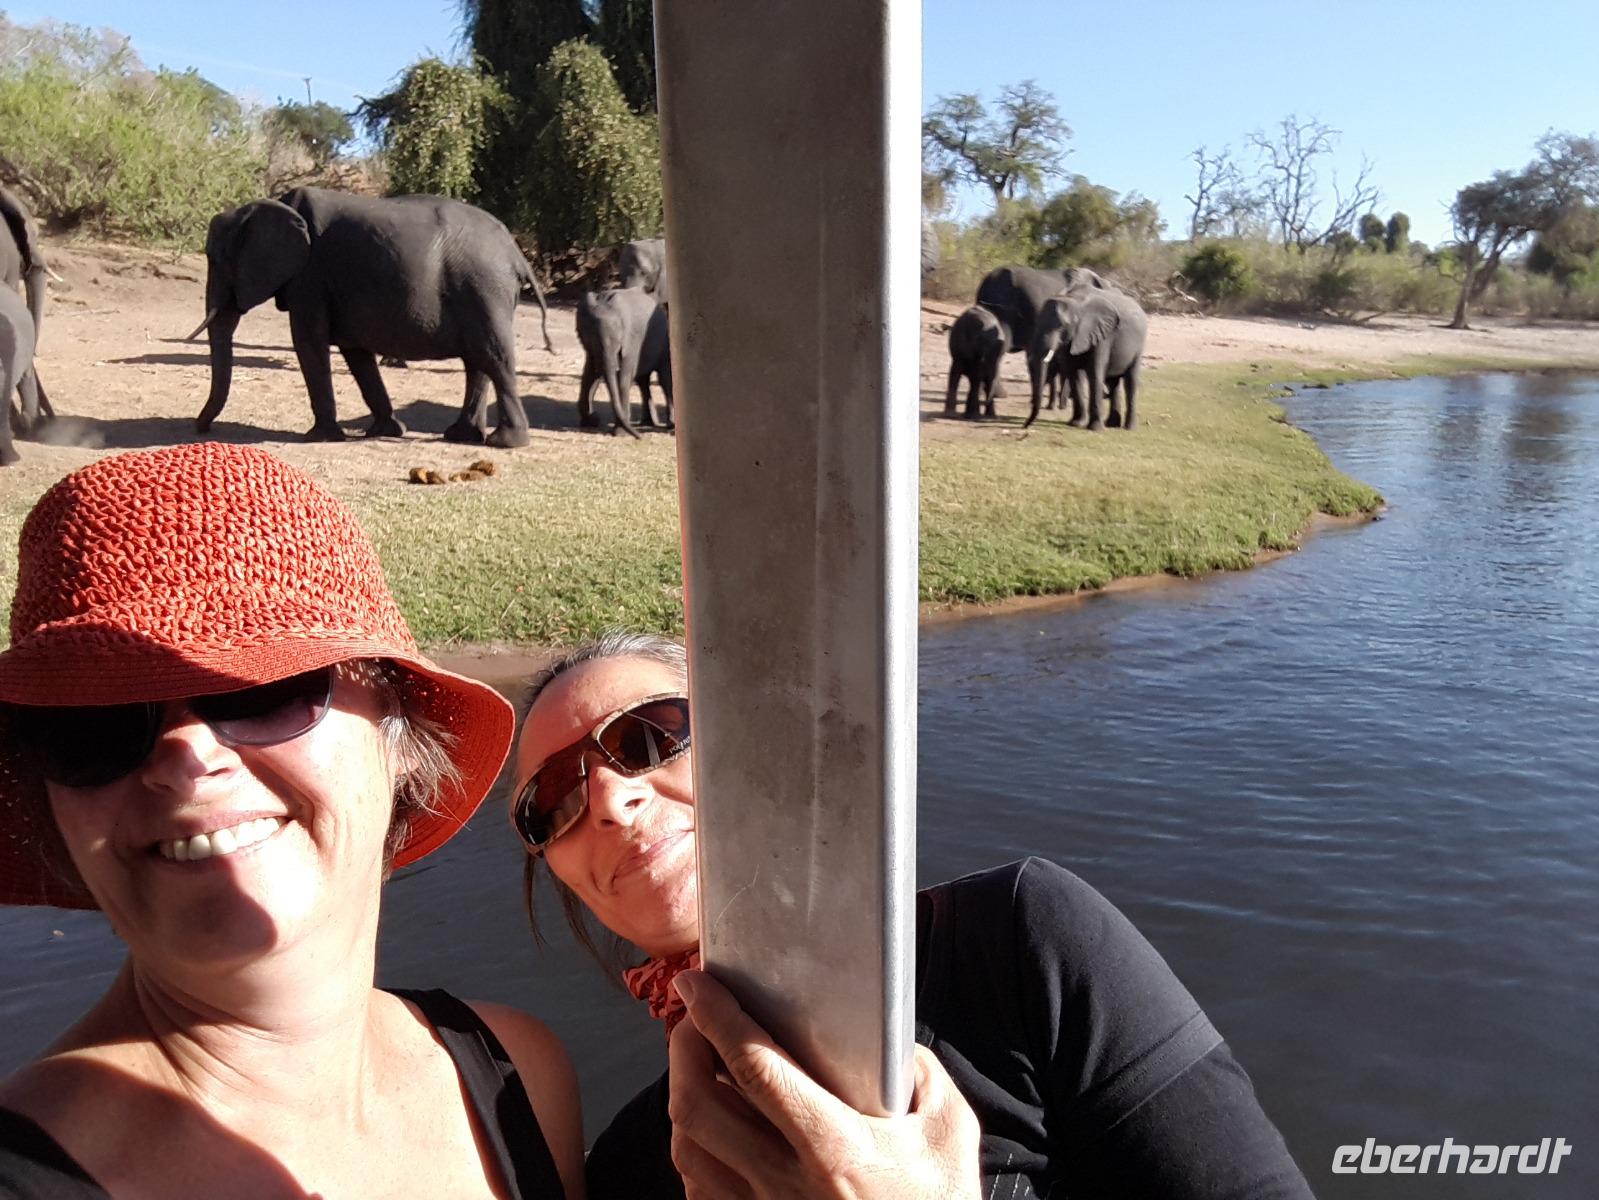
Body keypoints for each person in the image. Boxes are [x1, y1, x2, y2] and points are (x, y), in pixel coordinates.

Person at [512, 632, 1316, 1199]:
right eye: (553, 801)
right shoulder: (629, 1168)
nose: (611, 800)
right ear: (558, 869)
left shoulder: (1022, 945)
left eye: (652, 736)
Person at [0, 443, 584, 1199]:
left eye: (259, 691)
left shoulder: (516, 1077)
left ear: (398, 734)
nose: (185, 759)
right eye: (93, 727)